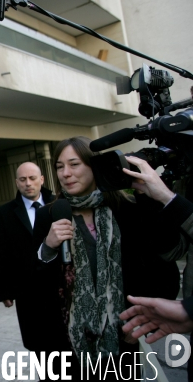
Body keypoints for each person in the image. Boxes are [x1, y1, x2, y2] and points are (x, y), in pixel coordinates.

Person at [32, 136, 182, 378]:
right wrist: (47, 247)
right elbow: (35, 284)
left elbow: (161, 270)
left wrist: (143, 324)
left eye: (74, 164)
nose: (65, 173)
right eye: (60, 167)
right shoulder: (49, 215)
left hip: (122, 340)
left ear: (95, 166)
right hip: (67, 344)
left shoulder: (129, 210)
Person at [0, 161, 55, 352]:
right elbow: (1, 253)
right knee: (38, 344)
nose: (28, 183)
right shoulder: (4, 214)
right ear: (16, 182)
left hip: (58, 285)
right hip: (27, 290)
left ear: (41, 180)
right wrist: (5, 291)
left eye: (32, 178)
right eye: (23, 179)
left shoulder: (58, 204)